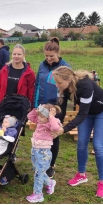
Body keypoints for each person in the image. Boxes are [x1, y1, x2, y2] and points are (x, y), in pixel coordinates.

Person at [51, 66, 103, 198]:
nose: (57, 85)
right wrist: (55, 125)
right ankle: (81, 175)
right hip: (88, 113)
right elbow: (60, 109)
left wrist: (64, 129)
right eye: (56, 82)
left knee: (97, 145)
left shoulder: (85, 86)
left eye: (59, 83)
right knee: (81, 143)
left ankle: (102, 183)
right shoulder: (63, 88)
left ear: (69, 79)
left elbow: (82, 114)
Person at [33, 37, 71, 177]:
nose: (49, 59)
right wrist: (35, 105)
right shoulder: (42, 66)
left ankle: (51, 165)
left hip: (57, 108)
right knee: (42, 134)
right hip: (43, 106)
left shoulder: (64, 67)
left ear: (58, 53)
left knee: (53, 136)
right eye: (46, 56)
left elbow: (68, 88)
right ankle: (42, 161)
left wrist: (58, 108)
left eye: (52, 56)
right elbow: (37, 86)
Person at [25, 103, 63, 202]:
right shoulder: (40, 120)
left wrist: (51, 116)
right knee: (36, 170)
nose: (39, 118)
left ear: (48, 117)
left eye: (42, 117)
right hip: (35, 149)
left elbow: (56, 128)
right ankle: (50, 183)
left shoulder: (52, 122)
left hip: (43, 152)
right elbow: (29, 116)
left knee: (39, 173)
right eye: (39, 116)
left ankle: (38, 194)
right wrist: (36, 111)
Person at [0, 43, 36, 107]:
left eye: (19, 54)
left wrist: (30, 107)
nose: (16, 56)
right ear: (11, 55)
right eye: (14, 54)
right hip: (4, 105)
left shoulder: (29, 73)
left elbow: (31, 92)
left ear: (24, 55)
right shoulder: (4, 70)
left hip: (20, 107)